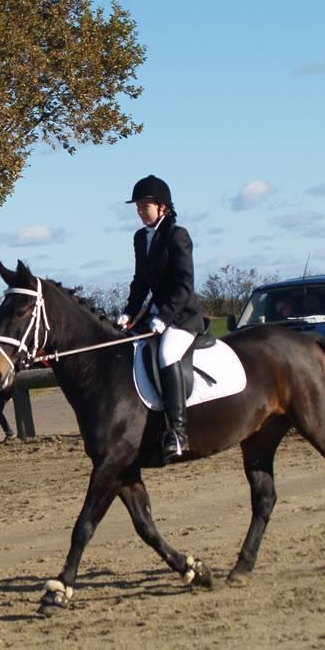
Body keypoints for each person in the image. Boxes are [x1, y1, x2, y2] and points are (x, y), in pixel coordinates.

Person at [117, 175, 205, 465]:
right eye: (138, 206)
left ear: (162, 207)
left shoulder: (177, 235)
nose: (140, 211)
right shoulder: (140, 238)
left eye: (145, 206)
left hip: (182, 317)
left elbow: (184, 284)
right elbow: (140, 281)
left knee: (167, 354)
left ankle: (178, 432)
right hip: (153, 316)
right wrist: (129, 311)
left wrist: (165, 318)